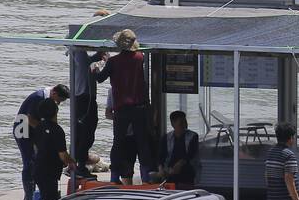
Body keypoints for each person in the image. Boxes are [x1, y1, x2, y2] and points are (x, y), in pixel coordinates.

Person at [98, 28, 155, 184]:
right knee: (143, 143)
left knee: (118, 143)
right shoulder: (140, 57)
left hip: (122, 109)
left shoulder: (113, 61)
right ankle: (146, 179)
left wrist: (96, 69)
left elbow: (100, 78)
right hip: (140, 107)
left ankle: (114, 177)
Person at [15, 84, 70, 200]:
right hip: (23, 129)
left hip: (35, 130)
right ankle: (29, 196)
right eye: (58, 101)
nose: (58, 104)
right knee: (29, 161)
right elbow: (30, 119)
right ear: (54, 93)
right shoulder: (39, 97)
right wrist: (47, 132)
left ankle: (37, 192)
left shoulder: (48, 99)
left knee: (38, 159)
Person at [69, 45, 108, 178]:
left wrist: (97, 56)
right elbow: (89, 66)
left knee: (81, 132)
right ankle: (80, 165)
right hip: (85, 98)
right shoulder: (79, 53)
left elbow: (88, 62)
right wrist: (100, 59)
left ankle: (76, 163)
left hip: (81, 98)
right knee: (86, 133)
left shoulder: (78, 54)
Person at [31, 97, 76, 200]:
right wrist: (71, 162)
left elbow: (36, 147)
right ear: (56, 111)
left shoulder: (38, 126)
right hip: (49, 171)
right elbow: (63, 155)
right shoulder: (58, 130)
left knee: (46, 197)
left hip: (38, 168)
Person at [152, 111, 201, 189]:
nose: (185, 125)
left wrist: (180, 164)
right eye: (181, 123)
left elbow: (190, 154)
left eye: (185, 122)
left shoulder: (193, 136)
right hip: (170, 170)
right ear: (173, 124)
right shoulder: (166, 138)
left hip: (187, 169)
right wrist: (160, 168)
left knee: (185, 170)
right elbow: (161, 156)